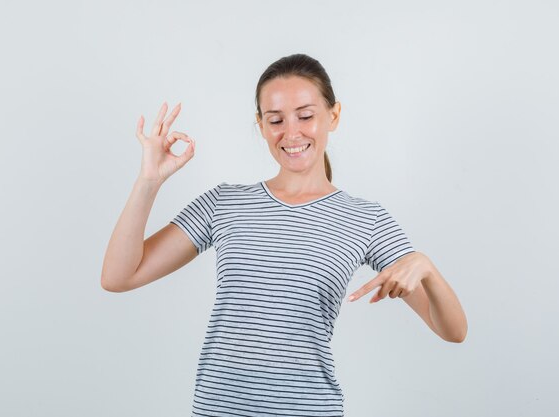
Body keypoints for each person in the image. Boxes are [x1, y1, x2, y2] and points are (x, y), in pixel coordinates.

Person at [101, 53, 468, 416]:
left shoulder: (364, 219)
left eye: (306, 116)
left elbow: (453, 331)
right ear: (261, 125)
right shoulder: (224, 203)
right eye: (275, 120)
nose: (291, 133)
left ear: (333, 116)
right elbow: (119, 277)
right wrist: (149, 181)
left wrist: (426, 268)